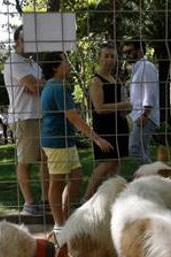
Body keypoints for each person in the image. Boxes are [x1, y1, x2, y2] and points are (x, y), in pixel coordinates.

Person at [39, 52, 113, 237]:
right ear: (55, 67)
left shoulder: (56, 86)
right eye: (65, 62)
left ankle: (66, 216)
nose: (68, 64)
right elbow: (73, 117)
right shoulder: (57, 87)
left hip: (65, 141)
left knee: (77, 176)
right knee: (56, 182)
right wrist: (95, 138)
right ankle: (59, 226)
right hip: (57, 142)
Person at [4, 25, 48, 216]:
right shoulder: (14, 62)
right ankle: (29, 203)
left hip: (40, 117)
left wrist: (42, 84)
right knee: (26, 161)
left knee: (46, 161)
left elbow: (42, 85)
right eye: (24, 39)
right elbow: (33, 86)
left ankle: (46, 200)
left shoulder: (33, 64)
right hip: (24, 117)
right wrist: (43, 83)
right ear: (16, 42)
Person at [85, 43, 131, 200]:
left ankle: (111, 198)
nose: (109, 60)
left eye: (112, 56)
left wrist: (126, 108)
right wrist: (122, 105)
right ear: (99, 58)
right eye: (106, 56)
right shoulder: (96, 81)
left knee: (116, 164)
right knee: (106, 163)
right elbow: (99, 108)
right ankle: (87, 197)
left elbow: (120, 105)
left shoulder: (115, 79)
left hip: (119, 125)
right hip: (105, 128)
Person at [122, 40, 159, 165]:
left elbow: (150, 91)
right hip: (139, 116)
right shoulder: (137, 68)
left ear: (140, 50)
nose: (127, 55)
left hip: (145, 117)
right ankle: (151, 181)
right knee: (143, 151)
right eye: (125, 52)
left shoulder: (146, 66)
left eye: (130, 51)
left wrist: (145, 114)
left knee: (134, 149)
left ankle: (153, 176)